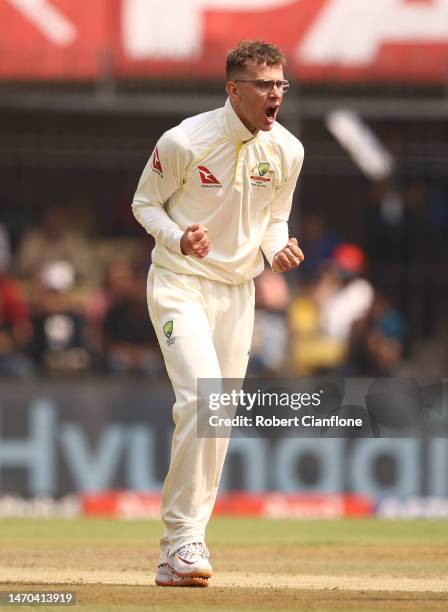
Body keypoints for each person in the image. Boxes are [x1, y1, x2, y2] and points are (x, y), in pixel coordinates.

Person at [132, 40, 304, 588]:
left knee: (218, 415)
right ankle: (184, 538)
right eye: (264, 84)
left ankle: (175, 554)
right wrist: (179, 237)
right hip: (180, 282)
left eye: (281, 84)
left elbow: (275, 220)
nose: (275, 94)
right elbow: (144, 204)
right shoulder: (184, 140)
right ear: (234, 89)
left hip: (238, 291)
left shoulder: (288, 151)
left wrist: (276, 250)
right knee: (202, 397)